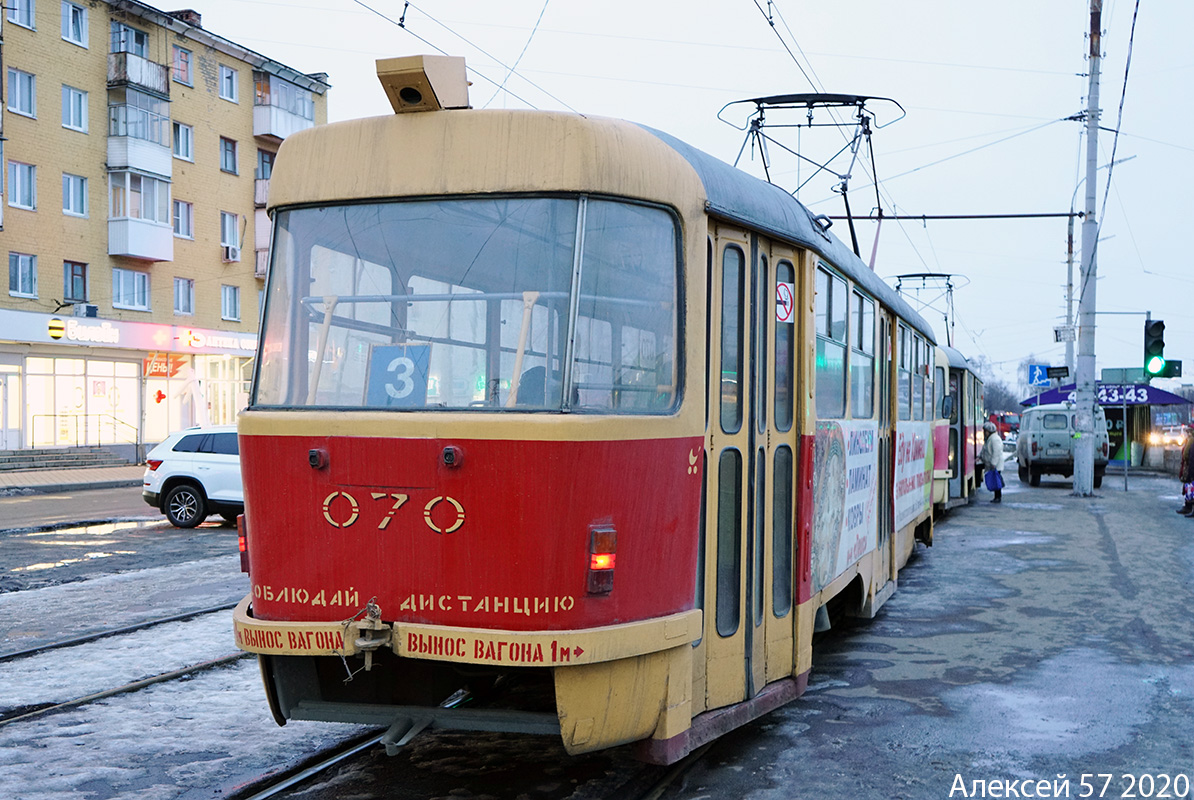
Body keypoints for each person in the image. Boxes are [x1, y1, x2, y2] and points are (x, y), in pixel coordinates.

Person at [980, 420, 1005, 503]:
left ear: (989, 431)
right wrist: (980, 456)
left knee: (996, 481)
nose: (984, 433)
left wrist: (993, 463)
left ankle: (998, 497)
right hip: (992, 464)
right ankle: (996, 497)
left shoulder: (995, 439)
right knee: (995, 480)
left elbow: (996, 452)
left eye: (985, 431)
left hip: (996, 465)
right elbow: (985, 450)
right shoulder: (990, 439)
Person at [1178, 431, 1194, 515]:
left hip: (1189, 468)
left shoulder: (1191, 441)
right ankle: (1188, 506)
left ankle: (1189, 507)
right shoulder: (1189, 441)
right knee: (1189, 489)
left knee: (1190, 489)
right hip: (1188, 468)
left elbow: (1188, 456)